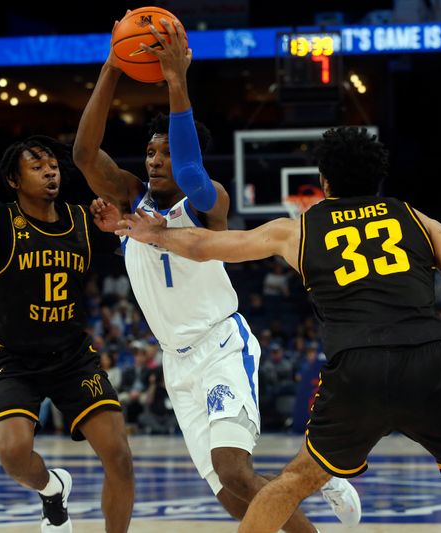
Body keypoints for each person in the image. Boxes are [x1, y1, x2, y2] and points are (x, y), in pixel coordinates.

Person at [116, 126, 441, 533]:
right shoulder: (419, 221)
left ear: (323, 181)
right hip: (431, 364)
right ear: (379, 177)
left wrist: (153, 233)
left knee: (287, 486)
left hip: (356, 371)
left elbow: (208, 245)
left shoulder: (298, 228)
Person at [73, 13, 359, 530]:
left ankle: (315, 481)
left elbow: (188, 170)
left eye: (165, 151)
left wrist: (177, 82)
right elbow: (84, 154)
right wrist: (113, 67)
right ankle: (313, 478)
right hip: (176, 363)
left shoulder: (208, 202)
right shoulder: (130, 204)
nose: (155, 161)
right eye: (150, 152)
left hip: (221, 345)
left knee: (237, 472)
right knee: (232, 495)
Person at [0, 99, 133, 532]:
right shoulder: (0, 223)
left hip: (73, 359)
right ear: (13, 180)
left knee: (118, 455)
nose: (51, 171)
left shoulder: (83, 220)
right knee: (15, 457)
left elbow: (138, 231)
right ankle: (52, 488)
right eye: (37, 166)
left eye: (53, 164)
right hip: (16, 361)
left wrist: (116, 220)